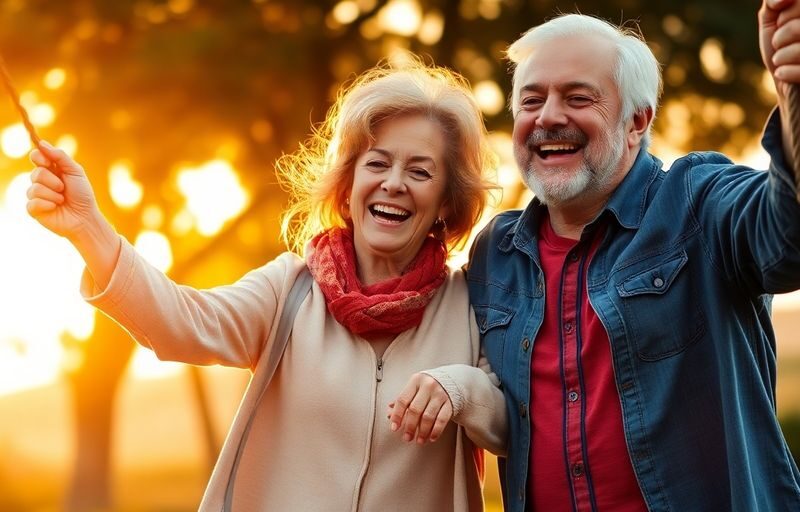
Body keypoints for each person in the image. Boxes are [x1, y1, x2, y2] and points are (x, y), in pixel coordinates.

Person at [26, 61, 507, 510]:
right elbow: (181, 323)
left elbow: (510, 422)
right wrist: (89, 228)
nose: (394, 183)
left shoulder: (472, 304)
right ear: (347, 186)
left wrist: (459, 388)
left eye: (420, 171)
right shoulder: (289, 290)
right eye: (377, 164)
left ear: (446, 202)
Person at [466, 2, 800, 511]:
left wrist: (794, 96)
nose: (548, 116)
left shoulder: (697, 203)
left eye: (578, 97)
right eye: (531, 100)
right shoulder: (495, 253)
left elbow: (787, 240)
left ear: (636, 121)